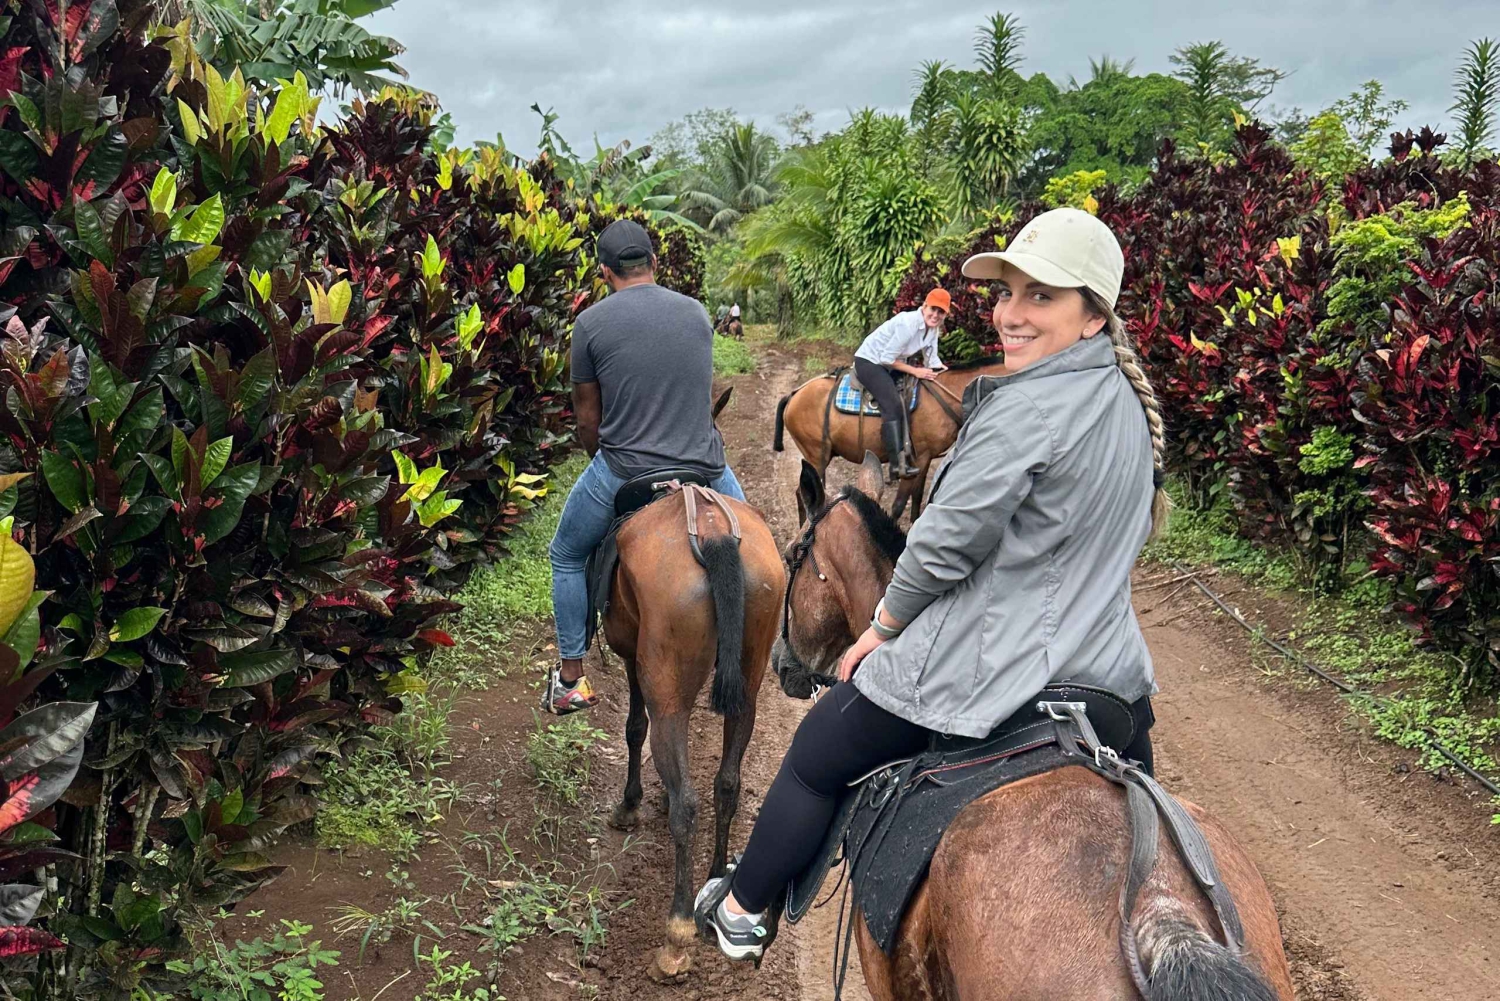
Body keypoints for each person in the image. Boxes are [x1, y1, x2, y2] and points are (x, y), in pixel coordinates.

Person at [693, 207, 1172, 962]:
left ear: (1092, 316)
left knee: (819, 747)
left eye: (1040, 296)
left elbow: (944, 544)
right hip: (1113, 686)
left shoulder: (1024, 408)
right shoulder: (1127, 404)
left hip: (999, 671)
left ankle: (744, 908)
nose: (1010, 313)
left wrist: (878, 629)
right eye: (1008, 291)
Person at [542, 219, 747, 715]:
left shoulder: (590, 324)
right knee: (757, 551)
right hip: (706, 464)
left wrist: (606, 464)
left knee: (566, 553)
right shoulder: (697, 313)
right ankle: (767, 641)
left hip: (625, 466)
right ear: (655, 263)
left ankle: (570, 678)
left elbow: (588, 422)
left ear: (605, 272)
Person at [852, 288, 950, 482]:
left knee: (913, 395)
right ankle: (897, 465)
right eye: (933, 309)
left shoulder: (933, 329)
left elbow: (932, 360)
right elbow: (886, 358)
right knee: (893, 403)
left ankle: (907, 450)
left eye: (941, 312)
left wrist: (950, 374)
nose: (935, 315)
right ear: (924, 307)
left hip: (890, 362)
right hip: (871, 361)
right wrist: (916, 371)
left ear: (945, 314)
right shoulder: (908, 324)